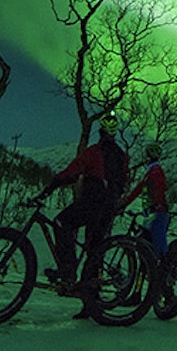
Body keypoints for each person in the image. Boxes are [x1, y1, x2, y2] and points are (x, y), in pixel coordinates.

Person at [41, 114, 127, 317]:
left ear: (100, 132)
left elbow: (72, 172)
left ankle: (68, 271)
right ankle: (91, 304)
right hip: (109, 208)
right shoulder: (122, 155)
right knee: (95, 250)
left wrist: (52, 185)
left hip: (92, 202)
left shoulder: (93, 152)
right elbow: (123, 181)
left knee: (62, 222)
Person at [121, 142, 169, 258]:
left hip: (157, 212)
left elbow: (158, 188)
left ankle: (163, 269)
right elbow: (139, 189)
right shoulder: (151, 172)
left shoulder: (155, 171)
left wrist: (158, 204)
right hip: (152, 212)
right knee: (151, 243)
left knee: (156, 247)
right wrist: (124, 203)